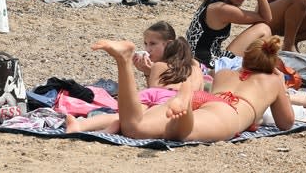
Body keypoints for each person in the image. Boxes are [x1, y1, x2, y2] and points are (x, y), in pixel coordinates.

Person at [77, 35, 294, 141]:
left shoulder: (225, 73)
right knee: (178, 134)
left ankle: (124, 63)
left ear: (245, 57)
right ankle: (183, 111)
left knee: (134, 127)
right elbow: (286, 123)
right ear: (272, 63)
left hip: (204, 98)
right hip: (229, 110)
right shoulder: (273, 81)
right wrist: (279, 81)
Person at [66, 25, 204, 135]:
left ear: (168, 45)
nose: (148, 49)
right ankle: (112, 127)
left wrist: (147, 72)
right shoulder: (195, 66)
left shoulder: (159, 66)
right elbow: (197, 95)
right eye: (145, 44)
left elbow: (153, 89)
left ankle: (81, 124)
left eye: (152, 44)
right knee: (140, 120)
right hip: (170, 97)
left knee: (124, 116)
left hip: (155, 95)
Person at [187, 0, 272, 69]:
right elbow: (267, 17)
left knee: (263, 27)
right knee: (263, 28)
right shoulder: (223, 9)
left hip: (199, 58)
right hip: (207, 64)